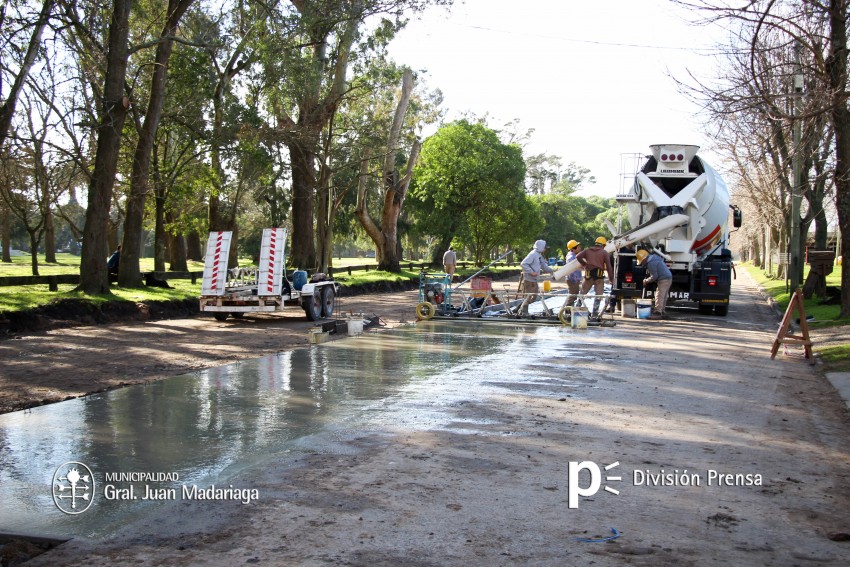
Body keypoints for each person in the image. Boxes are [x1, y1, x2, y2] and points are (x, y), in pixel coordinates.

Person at [576, 236, 614, 319]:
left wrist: (585, 264)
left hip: (588, 276)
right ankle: (594, 314)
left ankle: (576, 311)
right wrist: (611, 279)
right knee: (598, 296)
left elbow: (578, 256)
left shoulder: (587, 251)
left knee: (582, 294)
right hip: (599, 278)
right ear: (603, 245)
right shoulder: (604, 253)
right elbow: (609, 267)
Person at [518, 239, 554, 316]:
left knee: (533, 296)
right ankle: (524, 311)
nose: (545, 249)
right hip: (529, 279)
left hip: (534, 279)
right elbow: (523, 264)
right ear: (540, 247)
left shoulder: (539, 255)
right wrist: (531, 272)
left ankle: (518, 309)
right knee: (530, 296)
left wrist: (553, 271)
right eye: (544, 247)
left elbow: (544, 266)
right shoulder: (533, 254)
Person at [637, 249, 673, 320]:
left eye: (642, 261)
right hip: (669, 277)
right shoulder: (654, 258)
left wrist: (646, 281)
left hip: (664, 279)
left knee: (659, 295)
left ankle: (657, 313)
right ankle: (662, 311)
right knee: (664, 296)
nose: (642, 263)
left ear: (644, 259)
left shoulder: (650, 263)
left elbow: (654, 276)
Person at [564, 240, 583, 307]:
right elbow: (572, 271)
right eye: (578, 247)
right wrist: (575, 281)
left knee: (574, 296)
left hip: (574, 280)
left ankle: (569, 310)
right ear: (573, 249)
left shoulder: (573, 256)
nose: (580, 248)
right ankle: (567, 311)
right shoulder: (571, 257)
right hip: (572, 280)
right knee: (572, 296)